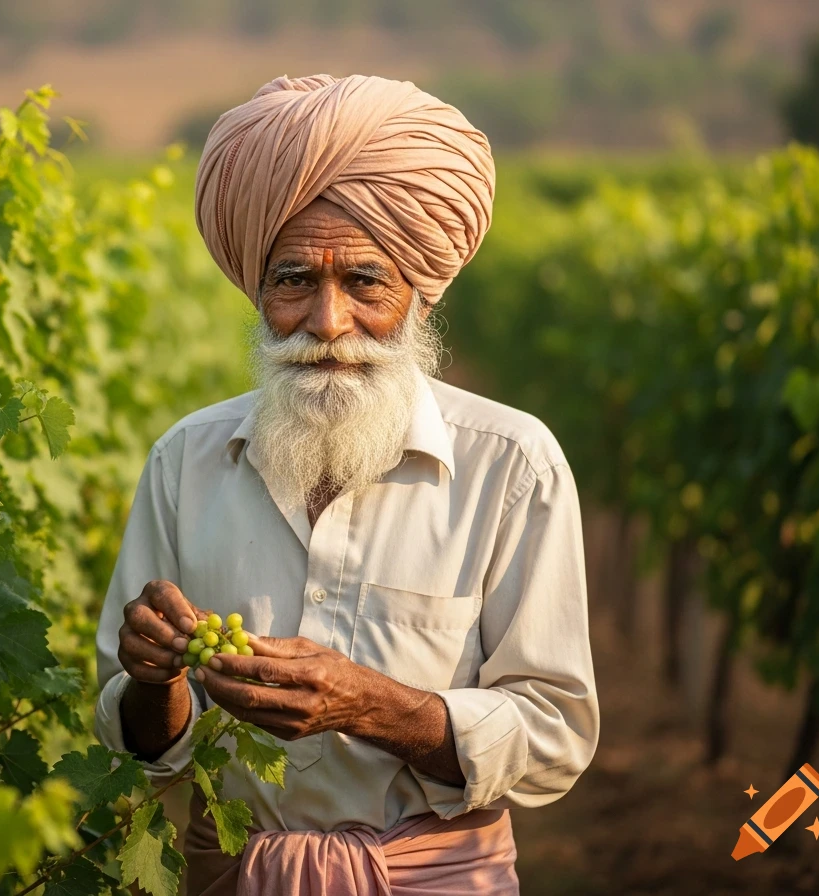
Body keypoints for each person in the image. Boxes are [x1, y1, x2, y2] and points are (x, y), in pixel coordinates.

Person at [93, 73, 600, 895]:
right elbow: (137, 738)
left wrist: (373, 707)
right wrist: (156, 679)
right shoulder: (185, 460)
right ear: (258, 291)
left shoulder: (511, 465)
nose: (328, 323)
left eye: (364, 281)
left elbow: (555, 736)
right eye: (294, 281)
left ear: (418, 297)